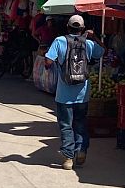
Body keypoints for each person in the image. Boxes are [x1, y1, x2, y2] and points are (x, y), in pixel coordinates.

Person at [44, 15, 104, 170]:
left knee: (66, 125)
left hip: (63, 94)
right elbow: (103, 51)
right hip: (82, 94)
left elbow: (48, 62)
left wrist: (57, 63)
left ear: (67, 27)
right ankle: (82, 151)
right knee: (81, 123)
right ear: (82, 28)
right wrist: (94, 36)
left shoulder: (59, 41)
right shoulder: (88, 43)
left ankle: (68, 158)